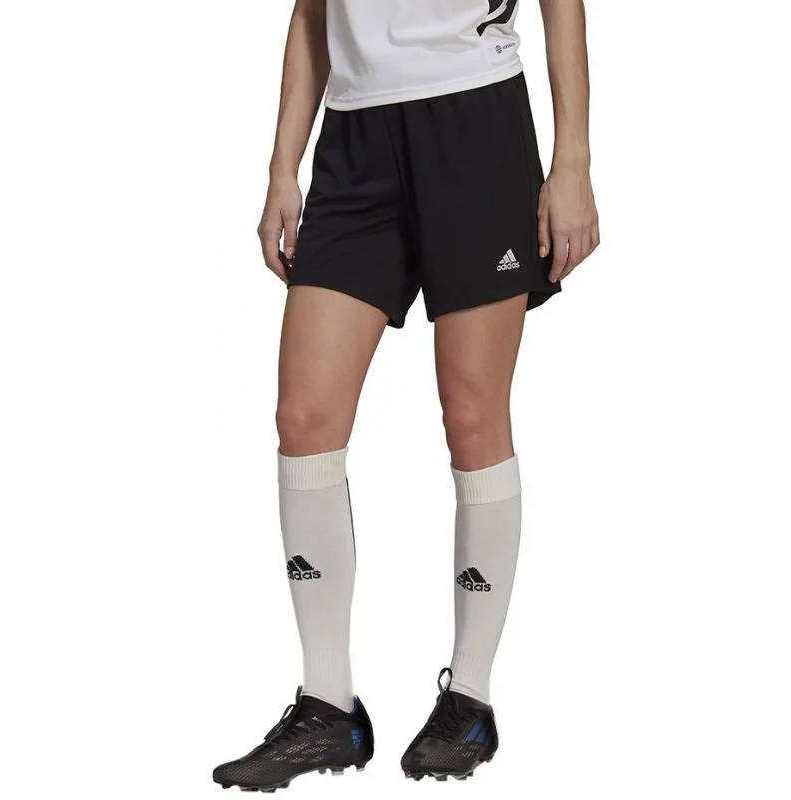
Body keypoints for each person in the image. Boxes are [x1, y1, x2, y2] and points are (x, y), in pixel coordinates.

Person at [213, 0, 599, 790]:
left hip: (474, 120)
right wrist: (283, 167)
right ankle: (328, 705)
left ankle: (470, 700)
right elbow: (312, 12)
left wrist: (573, 164)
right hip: (355, 141)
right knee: (304, 418)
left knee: (472, 415)